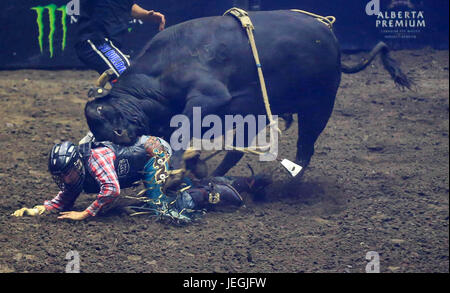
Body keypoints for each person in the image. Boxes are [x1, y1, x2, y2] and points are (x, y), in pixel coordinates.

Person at [12, 136, 271, 222]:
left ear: (77, 165)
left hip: (154, 154)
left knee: (161, 209)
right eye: (61, 176)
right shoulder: (78, 172)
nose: (65, 179)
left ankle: (219, 195)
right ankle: (242, 183)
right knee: (161, 191)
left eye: (67, 173)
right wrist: (38, 209)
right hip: (147, 154)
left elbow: (112, 191)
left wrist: (85, 213)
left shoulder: (96, 160)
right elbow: (65, 198)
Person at [75, 0, 166, 80]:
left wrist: (146, 14)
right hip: (95, 43)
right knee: (131, 79)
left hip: (110, 44)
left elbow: (128, 6)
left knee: (135, 79)